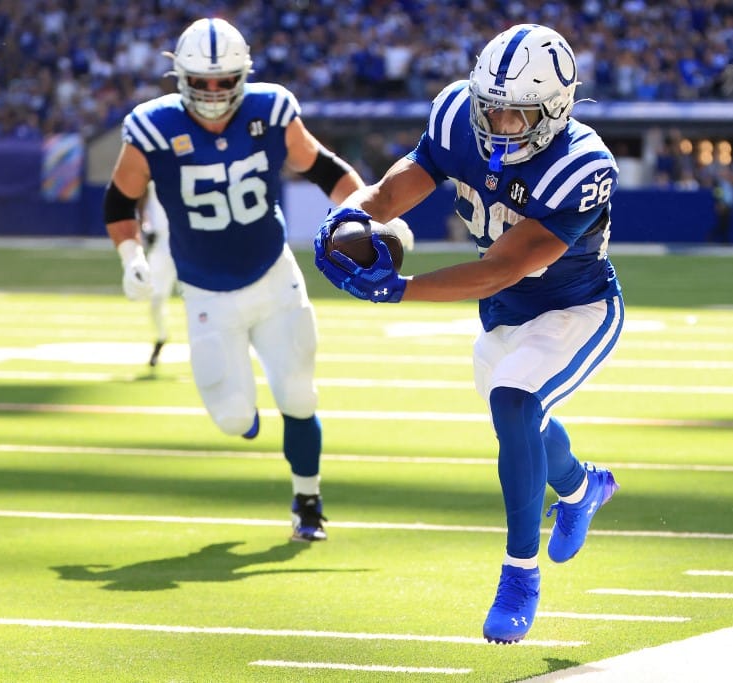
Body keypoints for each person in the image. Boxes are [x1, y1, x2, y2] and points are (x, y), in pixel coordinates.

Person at [313, 24, 621, 644]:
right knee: (524, 422)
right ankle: (585, 487)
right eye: (492, 107)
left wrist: (397, 289)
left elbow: (501, 265)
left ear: (556, 110)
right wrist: (351, 217)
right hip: (505, 312)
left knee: (514, 402)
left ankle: (519, 575)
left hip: (574, 307)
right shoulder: (458, 112)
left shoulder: (581, 165)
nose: (499, 122)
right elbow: (408, 180)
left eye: (517, 114)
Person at [104, 17, 370, 542]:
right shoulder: (153, 126)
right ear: (180, 77)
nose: (212, 92)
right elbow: (119, 198)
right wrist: (130, 253)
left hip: (274, 279)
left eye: (223, 80)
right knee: (231, 419)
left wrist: (366, 215)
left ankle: (308, 499)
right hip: (204, 290)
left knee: (298, 396)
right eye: (201, 82)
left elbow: (322, 168)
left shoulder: (270, 110)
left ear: (242, 75)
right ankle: (248, 419)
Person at [138, 182, 177, 368]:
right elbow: (139, 198)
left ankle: (205, 347)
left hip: (188, 242)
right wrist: (144, 226)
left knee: (198, 298)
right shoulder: (153, 159)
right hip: (161, 244)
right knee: (155, 299)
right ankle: (161, 336)